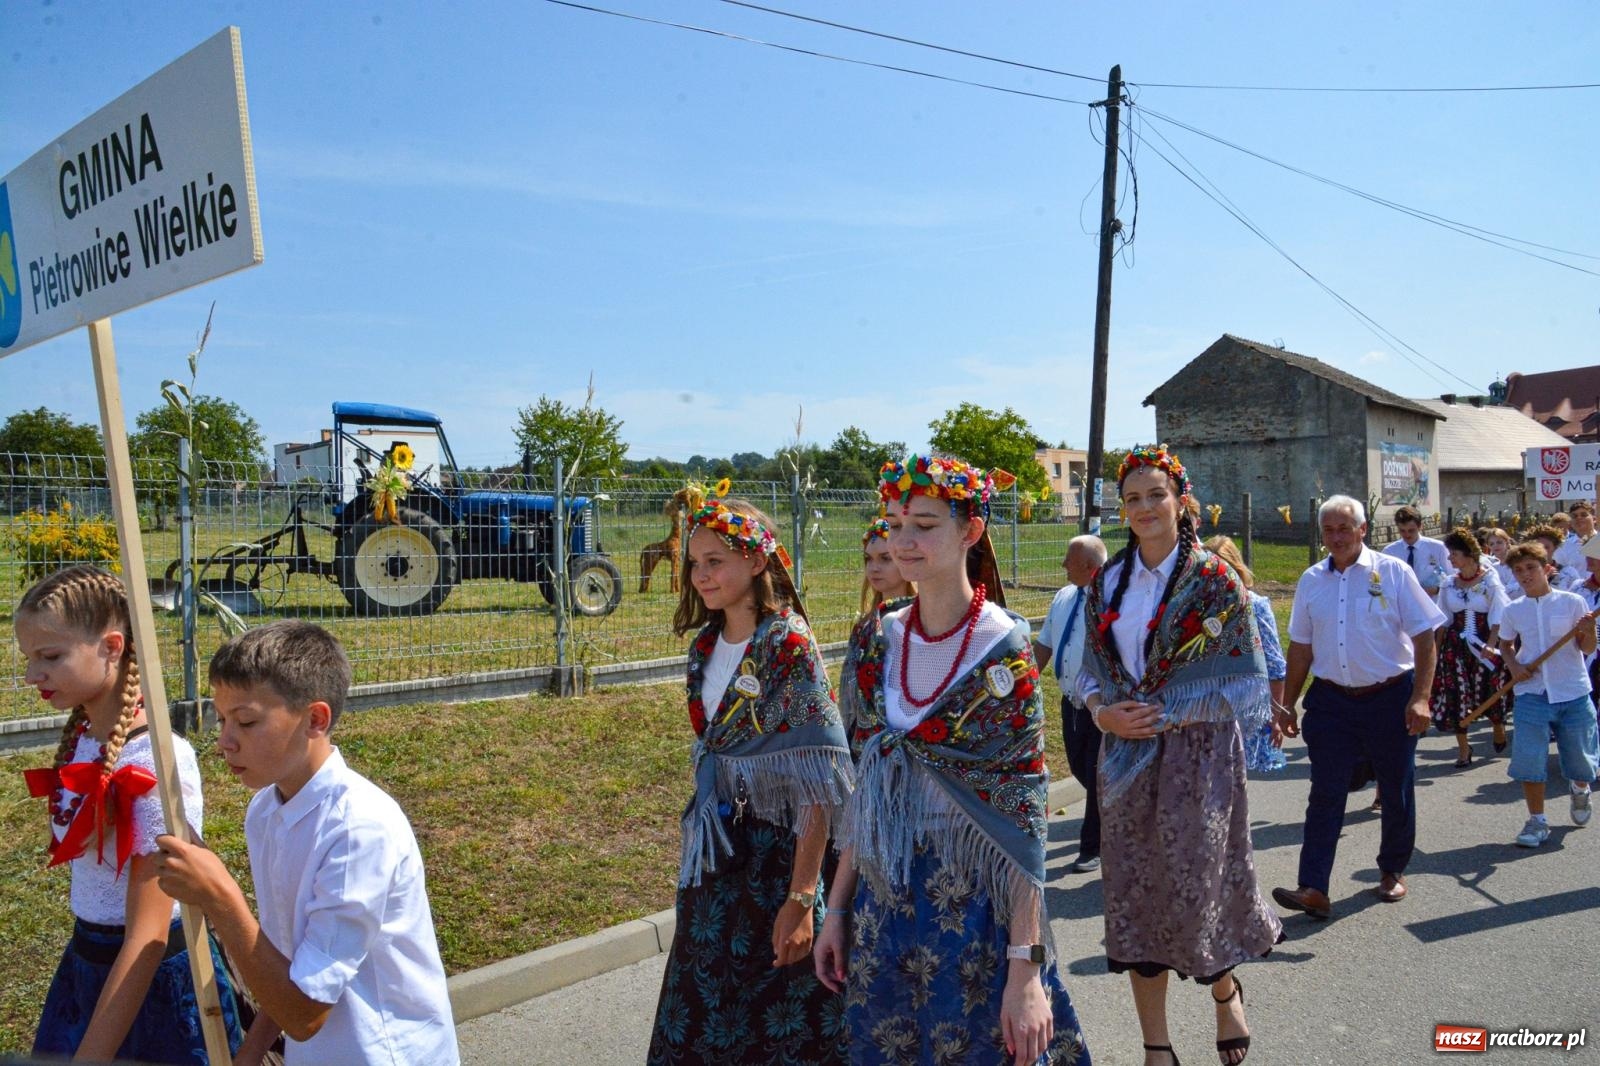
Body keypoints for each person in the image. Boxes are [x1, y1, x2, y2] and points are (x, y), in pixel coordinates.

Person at [817, 454, 1090, 1066]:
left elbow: (1022, 822)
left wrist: (1026, 969)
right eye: (893, 523)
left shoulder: (1004, 650)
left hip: (973, 913)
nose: (903, 541)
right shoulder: (874, 640)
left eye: (923, 524)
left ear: (971, 530)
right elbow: (867, 796)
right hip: (881, 909)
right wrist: (836, 908)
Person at [155, 621, 458, 1066]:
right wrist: (251, 1053)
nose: (224, 742)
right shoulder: (265, 811)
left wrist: (221, 897)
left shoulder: (358, 830)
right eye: (222, 720)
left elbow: (305, 1012)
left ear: (315, 720)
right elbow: (289, 961)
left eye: (246, 721)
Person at [1078, 446, 1280, 1066]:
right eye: (1131, 498)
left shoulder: (1214, 580)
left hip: (1199, 756)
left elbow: (1243, 680)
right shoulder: (1107, 581)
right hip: (1125, 754)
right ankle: (1156, 1046)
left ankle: (1224, 991)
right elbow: (1086, 669)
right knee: (1134, 896)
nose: (1143, 508)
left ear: (1180, 500)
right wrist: (1098, 711)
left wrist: (1169, 712)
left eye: (1155, 496)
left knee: (1197, 889)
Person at [647, 489, 853, 1065]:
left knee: (785, 1021)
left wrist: (802, 899)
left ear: (757, 561)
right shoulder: (704, 646)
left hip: (779, 860)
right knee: (702, 1010)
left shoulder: (787, 644)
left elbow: (820, 781)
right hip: (718, 862)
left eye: (715, 561)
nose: (701, 575)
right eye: (694, 562)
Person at [15, 564, 243, 1063]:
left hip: (150, 984)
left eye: (49, 657)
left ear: (112, 647)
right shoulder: (82, 740)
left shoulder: (156, 761)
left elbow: (149, 935)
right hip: (86, 968)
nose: (32, 674)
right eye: (29, 658)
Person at [1274, 496, 1445, 920]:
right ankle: (1313, 886)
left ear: (1363, 529)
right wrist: (1287, 703)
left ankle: (1391, 869)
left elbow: (1425, 638)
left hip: (1390, 697)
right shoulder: (1312, 580)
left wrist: (1421, 697)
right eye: (1328, 530)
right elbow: (1300, 647)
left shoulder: (1392, 572)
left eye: (1344, 528)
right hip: (1332, 701)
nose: (1336, 537)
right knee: (1325, 792)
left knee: (1395, 786)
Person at [1496, 543, 1598, 846]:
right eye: (1518, 570)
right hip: (1532, 693)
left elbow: (1587, 648)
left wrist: (1589, 630)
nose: (1525, 574)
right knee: (1529, 758)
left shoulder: (1573, 602)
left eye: (1531, 568)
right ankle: (1537, 821)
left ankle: (1580, 789)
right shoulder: (1513, 610)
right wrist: (1515, 667)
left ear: (1547, 569)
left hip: (1573, 691)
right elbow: (1505, 645)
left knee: (1582, 761)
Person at [1033, 534, 1108, 873]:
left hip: (1102, 704)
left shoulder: (1112, 600)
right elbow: (1045, 644)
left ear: (1090, 568)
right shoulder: (1064, 597)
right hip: (1070, 701)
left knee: (1096, 772)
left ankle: (1093, 846)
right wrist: (1025, 681)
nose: (1063, 564)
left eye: (1069, 559)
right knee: (1080, 767)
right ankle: (1111, 822)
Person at [1205, 535, 1289, 774]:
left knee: (1235, 783)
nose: (1216, 578)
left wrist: (1275, 718)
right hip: (1207, 709)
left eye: (1222, 569)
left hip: (1248, 708)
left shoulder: (1255, 605)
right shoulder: (1200, 609)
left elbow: (1275, 666)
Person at [1431, 529, 1511, 766]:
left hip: (1485, 643)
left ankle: (1498, 725)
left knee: (1491, 687)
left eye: (1454, 554)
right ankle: (1464, 749)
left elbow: (1498, 615)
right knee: (1455, 692)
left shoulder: (1489, 581)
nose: (1450, 559)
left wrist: (1491, 645)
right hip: (1454, 647)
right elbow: (1442, 621)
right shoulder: (1448, 584)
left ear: (1469, 555)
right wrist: (1435, 652)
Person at [841, 517, 915, 737]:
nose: (874, 568)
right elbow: (849, 697)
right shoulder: (864, 626)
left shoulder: (925, 622)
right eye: (868, 560)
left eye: (885, 559)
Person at [1382, 504, 1452, 596]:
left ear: (1420, 527)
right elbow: (1383, 583)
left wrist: (1436, 590)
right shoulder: (1389, 552)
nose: (1407, 535)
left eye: (1411, 530)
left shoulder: (1438, 548)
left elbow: (1452, 579)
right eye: (1402, 531)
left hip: (1432, 604)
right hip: (1403, 605)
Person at [1554, 503, 1597, 587]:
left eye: (1584, 515)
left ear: (1594, 518)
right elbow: (1558, 575)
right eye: (1574, 516)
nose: (1579, 518)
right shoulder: (1563, 547)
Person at [1484, 527, 1518, 599]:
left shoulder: (1518, 563)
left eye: (1499, 542)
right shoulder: (1493, 568)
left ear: (1507, 542)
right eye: (1491, 544)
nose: (1495, 546)